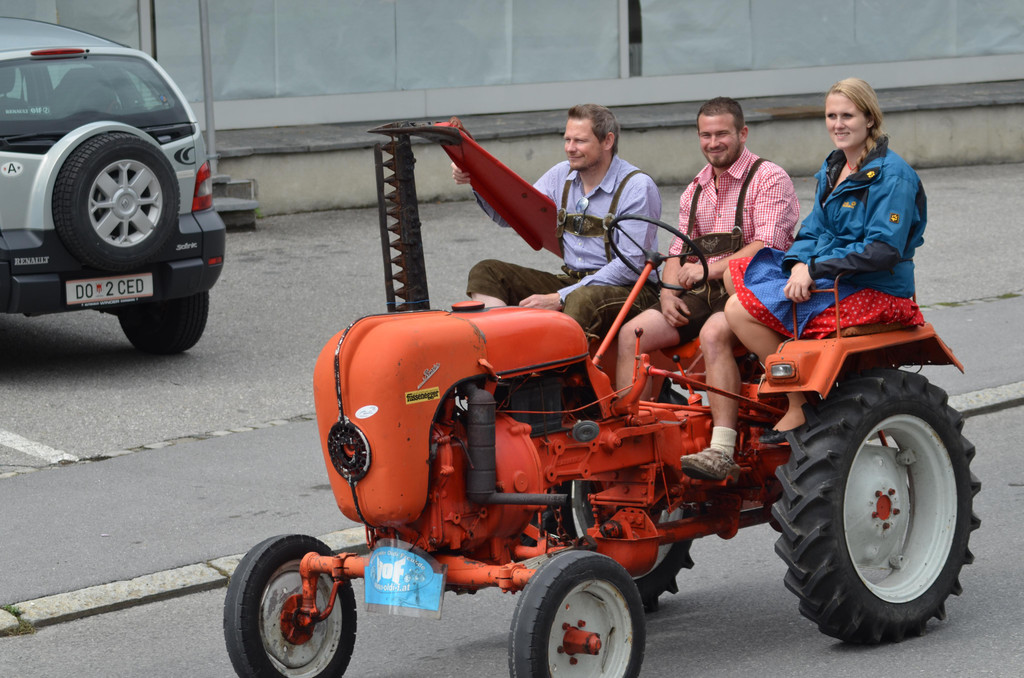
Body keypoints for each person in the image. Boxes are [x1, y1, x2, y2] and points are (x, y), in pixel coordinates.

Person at [718, 77, 926, 476]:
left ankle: (798, 401)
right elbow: (814, 229)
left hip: (874, 286)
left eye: (848, 115)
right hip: (830, 274)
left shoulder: (892, 176)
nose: (838, 124)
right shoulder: (835, 167)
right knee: (736, 273)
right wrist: (798, 264)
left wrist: (814, 270)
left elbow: (883, 250)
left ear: (869, 118)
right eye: (832, 116)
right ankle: (773, 378)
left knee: (738, 311)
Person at [614, 97, 799, 479]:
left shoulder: (768, 177)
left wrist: (706, 270)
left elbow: (769, 244)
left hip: (753, 287)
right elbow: (677, 251)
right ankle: (633, 439)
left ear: (742, 133)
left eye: (722, 134)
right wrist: (668, 292)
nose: (713, 143)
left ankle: (721, 450)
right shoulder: (695, 188)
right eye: (706, 135)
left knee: (714, 333)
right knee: (632, 334)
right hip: (705, 290)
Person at [453, 103, 661, 342]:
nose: (570, 148)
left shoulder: (637, 187)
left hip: (632, 290)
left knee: (581, 299)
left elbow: (630, 266)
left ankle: (557, 364)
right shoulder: (561, 175)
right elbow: (511, 216)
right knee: (487, 272)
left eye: (580, 141)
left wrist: (561, 296)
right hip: (575, 281)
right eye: (567, 140)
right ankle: (502, 348)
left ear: (607, 141)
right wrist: (476, 177)